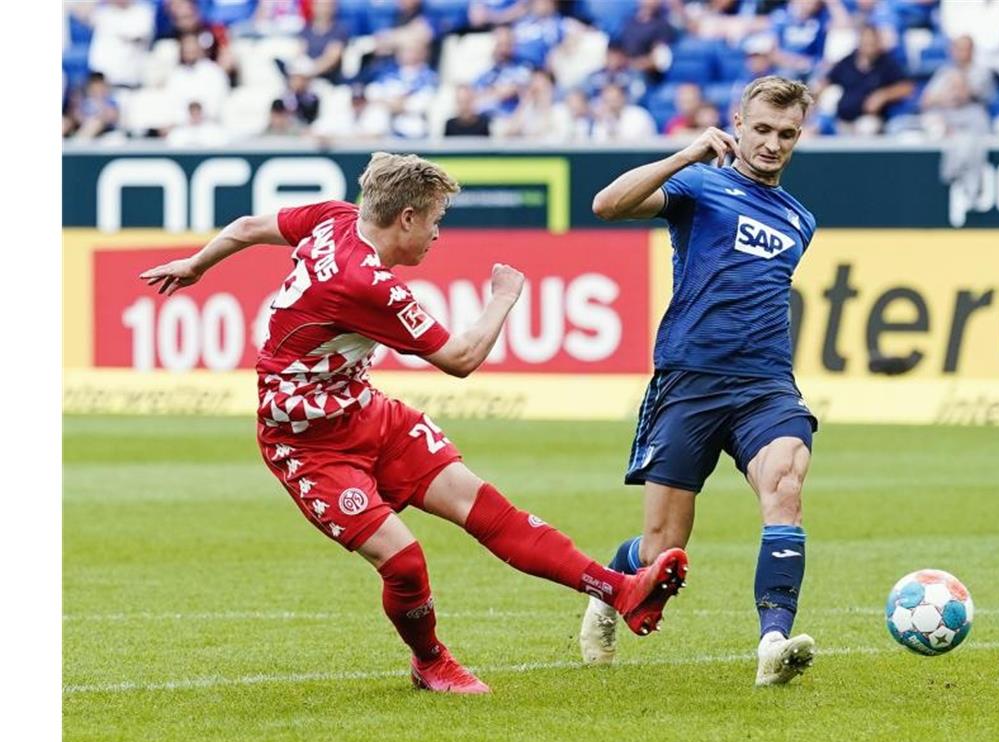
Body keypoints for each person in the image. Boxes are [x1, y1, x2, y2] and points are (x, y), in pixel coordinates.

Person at [138, 152, 688, 694]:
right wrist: (502, 298)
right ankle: (431, 662)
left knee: (489, 511)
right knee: (404, 563)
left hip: (363, 411)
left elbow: (248, 225)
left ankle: (620, 590)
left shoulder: (334, 218)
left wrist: (197, 264)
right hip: (305, 443)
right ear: (406, 218)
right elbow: (461, 358)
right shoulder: (365, 285)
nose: (437, 234)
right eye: (435, 220)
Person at [581, 75, 819, 687]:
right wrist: (685, 153)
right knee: (663, 550)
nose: (771, 144)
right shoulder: (699, 185)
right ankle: (611, 584)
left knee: (786, 485)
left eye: (786, 134)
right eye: (762, 129)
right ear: (737, 123)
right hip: (690, 379)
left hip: (765, 385)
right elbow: (606, 206)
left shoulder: (800, 220)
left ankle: (774, 641)